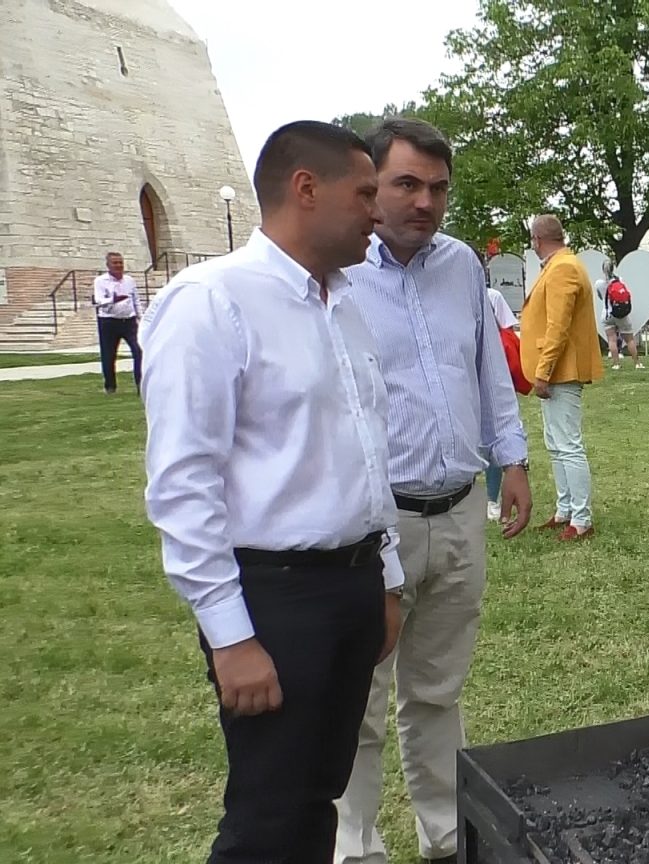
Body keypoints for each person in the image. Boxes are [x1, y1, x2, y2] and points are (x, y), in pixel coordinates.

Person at [140, 120, 402, 864]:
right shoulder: (211, 303)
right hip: (273, 599)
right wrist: (231, 635)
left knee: (319, 796)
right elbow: (184, 484)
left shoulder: (343, 304)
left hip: (352, 584)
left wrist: (386, 581)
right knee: (266, 814)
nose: (376, 214)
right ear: (305, 188)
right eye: (364, 194)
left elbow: (365, 451)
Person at [332, 118, 532, 864]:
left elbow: (485, 369)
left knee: (437, 693)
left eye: (438, 188)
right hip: (371, 525)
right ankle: (354, 850)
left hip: (456, 514)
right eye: (406, 184)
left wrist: (512, 460)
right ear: (371, 186)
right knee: (358, 703)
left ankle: (448, 840)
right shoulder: (337, 274)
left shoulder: (461, 268)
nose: (425, 201)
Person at [522, 214, 604, 540]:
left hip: (560, 372)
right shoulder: (561, 266)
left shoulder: (563, 268)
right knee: (556, 444)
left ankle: (581, 518)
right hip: (556, 372)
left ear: (537, 240)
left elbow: (558, 326)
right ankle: (565, 509)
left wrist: (543, 371)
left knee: (568, 445)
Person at [486, 287, 520, 521]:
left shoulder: (492, 296)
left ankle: (491, 499)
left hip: (490, 376)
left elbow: (507, 331)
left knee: (494, 438)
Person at [92, 250, 142, 394]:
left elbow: (136, 300)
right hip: (109, 322)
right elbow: (98, 301)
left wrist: (141, 317)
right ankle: (110, 387)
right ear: (108, 265)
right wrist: (112, 300)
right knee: (109, 355)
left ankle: (140, 384)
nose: (118, 265)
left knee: (139, 351)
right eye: (115, 263)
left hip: (129, 321)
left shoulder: (129, 280)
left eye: (120, 262)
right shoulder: (100, 281)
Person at [600, 261, 644, 370]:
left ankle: (616, 364)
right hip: (621, 314)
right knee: (629, 339)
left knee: (611, 340)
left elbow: (601, 297)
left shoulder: (599, 283)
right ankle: (637, 363)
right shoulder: (620, 280)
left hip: (607, 314)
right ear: (613, 268)